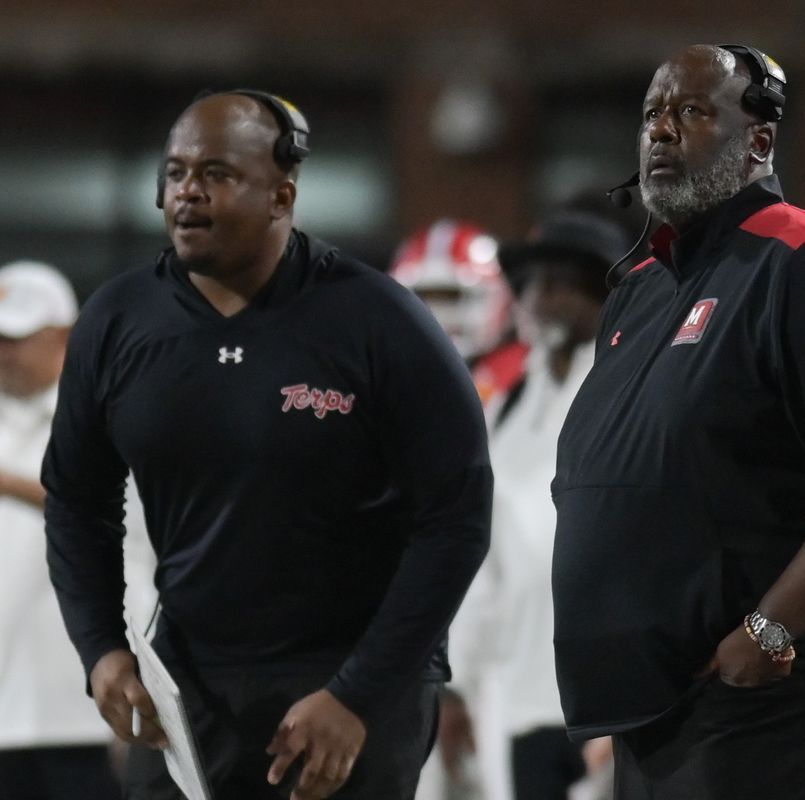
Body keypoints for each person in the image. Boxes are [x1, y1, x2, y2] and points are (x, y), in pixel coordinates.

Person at [42, 90, 492, 800]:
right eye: (175, 172)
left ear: (282, 196)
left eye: (216, 173)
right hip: (189, 690)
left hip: (347, 683)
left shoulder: (379, 320)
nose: (187, 192)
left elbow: (456, 518)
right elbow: (76, 499)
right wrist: (100, 647)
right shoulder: (118, 320)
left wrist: (361, 693)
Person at [551, 44, 805, 800]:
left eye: (690, 112)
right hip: (666, 699)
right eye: (653, 114)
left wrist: (772, 626)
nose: (661, 131)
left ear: (759, 140)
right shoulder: (641, 285)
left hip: (780, 687)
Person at [443, 208, 627, 800]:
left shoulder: (631, 394)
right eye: (528, 285)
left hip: (607, 702)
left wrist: (629, 702)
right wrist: (456, 687)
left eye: (557, 283)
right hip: (518, 695)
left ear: (601, 293)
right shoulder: (510, 405)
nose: (535, 298)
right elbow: (482, 562)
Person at [0, 261, 121, 800]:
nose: (3, 352)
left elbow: (112, 507)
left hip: (82, 711)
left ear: (64, 336)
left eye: (16, 338)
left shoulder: (104, 417)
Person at [390, 220, 529, 412]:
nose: (438, 313)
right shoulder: (383, 373)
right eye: (423, 297)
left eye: (453, 296)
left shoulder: (527, 373)